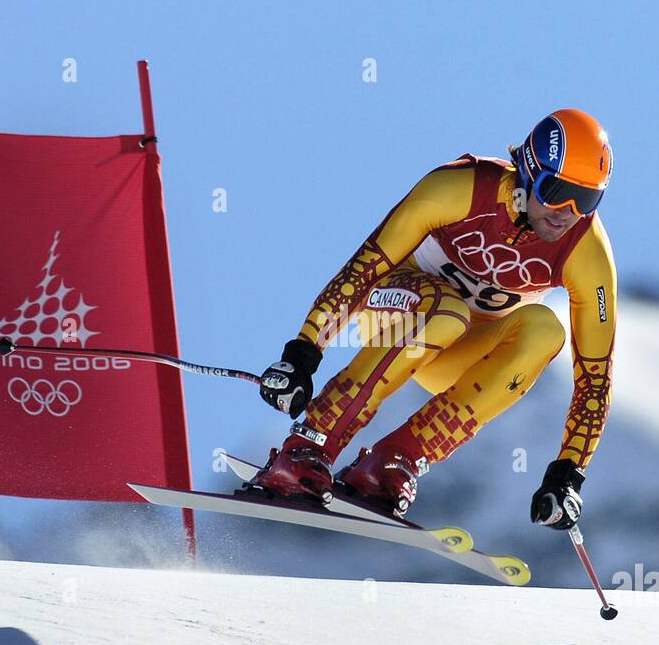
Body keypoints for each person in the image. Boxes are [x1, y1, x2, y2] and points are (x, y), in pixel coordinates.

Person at [250, 109, 616, 532]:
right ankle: (310, 443)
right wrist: (303, 353)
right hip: (391, 311)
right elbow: (364, 269)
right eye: (557, 191)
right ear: (529, 173)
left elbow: (596, 377)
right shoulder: (461, 188)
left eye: (586, 199)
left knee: (545, 329)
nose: (567, 212)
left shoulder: (586, 251)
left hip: (459, 351)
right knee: (447, 311)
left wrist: (568, 474)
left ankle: (393, 461)